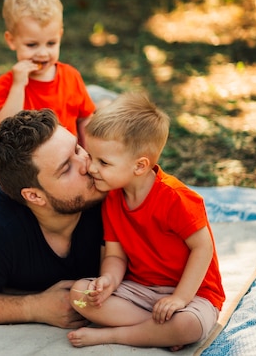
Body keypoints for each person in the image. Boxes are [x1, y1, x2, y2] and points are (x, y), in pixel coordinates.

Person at [67, 92, 225, 350]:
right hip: (139, 290)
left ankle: (116, 335)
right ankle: (159, 332)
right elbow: (115, 256)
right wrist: (108, 280)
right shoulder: (112, 198)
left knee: (188, 325)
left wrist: (179, 299)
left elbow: (203, 247)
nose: (91, 168)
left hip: (193, 292)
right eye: (91, 156)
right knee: (80, 296)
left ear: (139, 166)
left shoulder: (176, 198)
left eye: (103, 162)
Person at [0, 109, 106, 328]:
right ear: (34, 195)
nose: (87, 164)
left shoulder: (111, 186)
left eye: (77, 148)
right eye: (66, 168)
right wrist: (33, 307)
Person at [0, 0, 99, 209]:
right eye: (32, 45)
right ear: (11, 40)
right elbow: (4, 126)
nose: (43, 52)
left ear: (60, 35)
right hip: (23, 169)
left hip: (66, 166)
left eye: (51, 43)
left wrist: (91, 154)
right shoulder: (8, 83)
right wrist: (19, 85)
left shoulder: (70, 76)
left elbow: (85, 118)